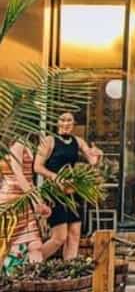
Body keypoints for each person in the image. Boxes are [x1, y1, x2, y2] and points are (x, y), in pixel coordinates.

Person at [35, 112, 102, 260]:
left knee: (74, 234)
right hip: (54, 192)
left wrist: (97, 156)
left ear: (74, 123)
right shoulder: (49, 141)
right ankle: (32, 262)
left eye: (69, 120)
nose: (66, 123)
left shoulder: (78, 141)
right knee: (59, 237)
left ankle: (69, 268)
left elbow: (92, 161)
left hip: (72, 191)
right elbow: (37, 167)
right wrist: (54, 176)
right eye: (62, 119)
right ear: (57, 122)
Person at [2, 141, 51, 263]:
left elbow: (28, 178)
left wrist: (36, 201)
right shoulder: (17, 144)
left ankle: (36, 278)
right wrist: (37, 202)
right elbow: (19, 175)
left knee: (35, 245)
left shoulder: (19, 143)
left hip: (23, 199)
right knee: (5, 247)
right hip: (13, 202)